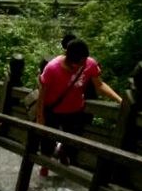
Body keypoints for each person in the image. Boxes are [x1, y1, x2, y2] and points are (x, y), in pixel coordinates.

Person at [37, 38, 121, 172]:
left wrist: (120, 100)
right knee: (47, 142)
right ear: (67, 58)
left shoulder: (90, 64)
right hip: (52, 110)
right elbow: (42, 94)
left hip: (75, 110)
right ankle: (45, 167)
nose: (80, 67)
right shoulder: (52, 68)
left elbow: (99, 85)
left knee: (73, 141)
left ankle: (62, 152)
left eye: (82, 63)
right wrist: (40, 116)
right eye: (76, 64)